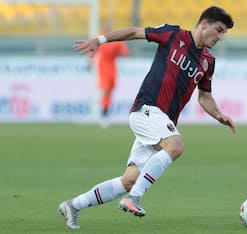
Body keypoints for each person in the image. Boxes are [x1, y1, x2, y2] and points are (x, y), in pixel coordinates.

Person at [58, 6, 235, 229]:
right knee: (176, 146)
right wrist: (100, 40)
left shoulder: (208, 62)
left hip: (161, 121)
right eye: (218, 30)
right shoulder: (173, 34)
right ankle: (134, 198)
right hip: (147, 108)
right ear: (204, 24)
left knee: (129, 180)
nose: (220, 37)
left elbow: (204, 96)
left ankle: (73, 205)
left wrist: (218, 114)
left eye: (223, 34)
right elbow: (133, 32)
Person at [94, 21, 130, 128]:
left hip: (112, 68)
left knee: (109, 92)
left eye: (108, 25)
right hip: (103, 68)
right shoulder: (99, 38)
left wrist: (119, 51)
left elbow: (125, 52)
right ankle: (103, 115)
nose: (107, 27)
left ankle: (105, 113)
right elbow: (91, 50)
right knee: (105, 91)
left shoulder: (115, 39)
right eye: (105, 25)